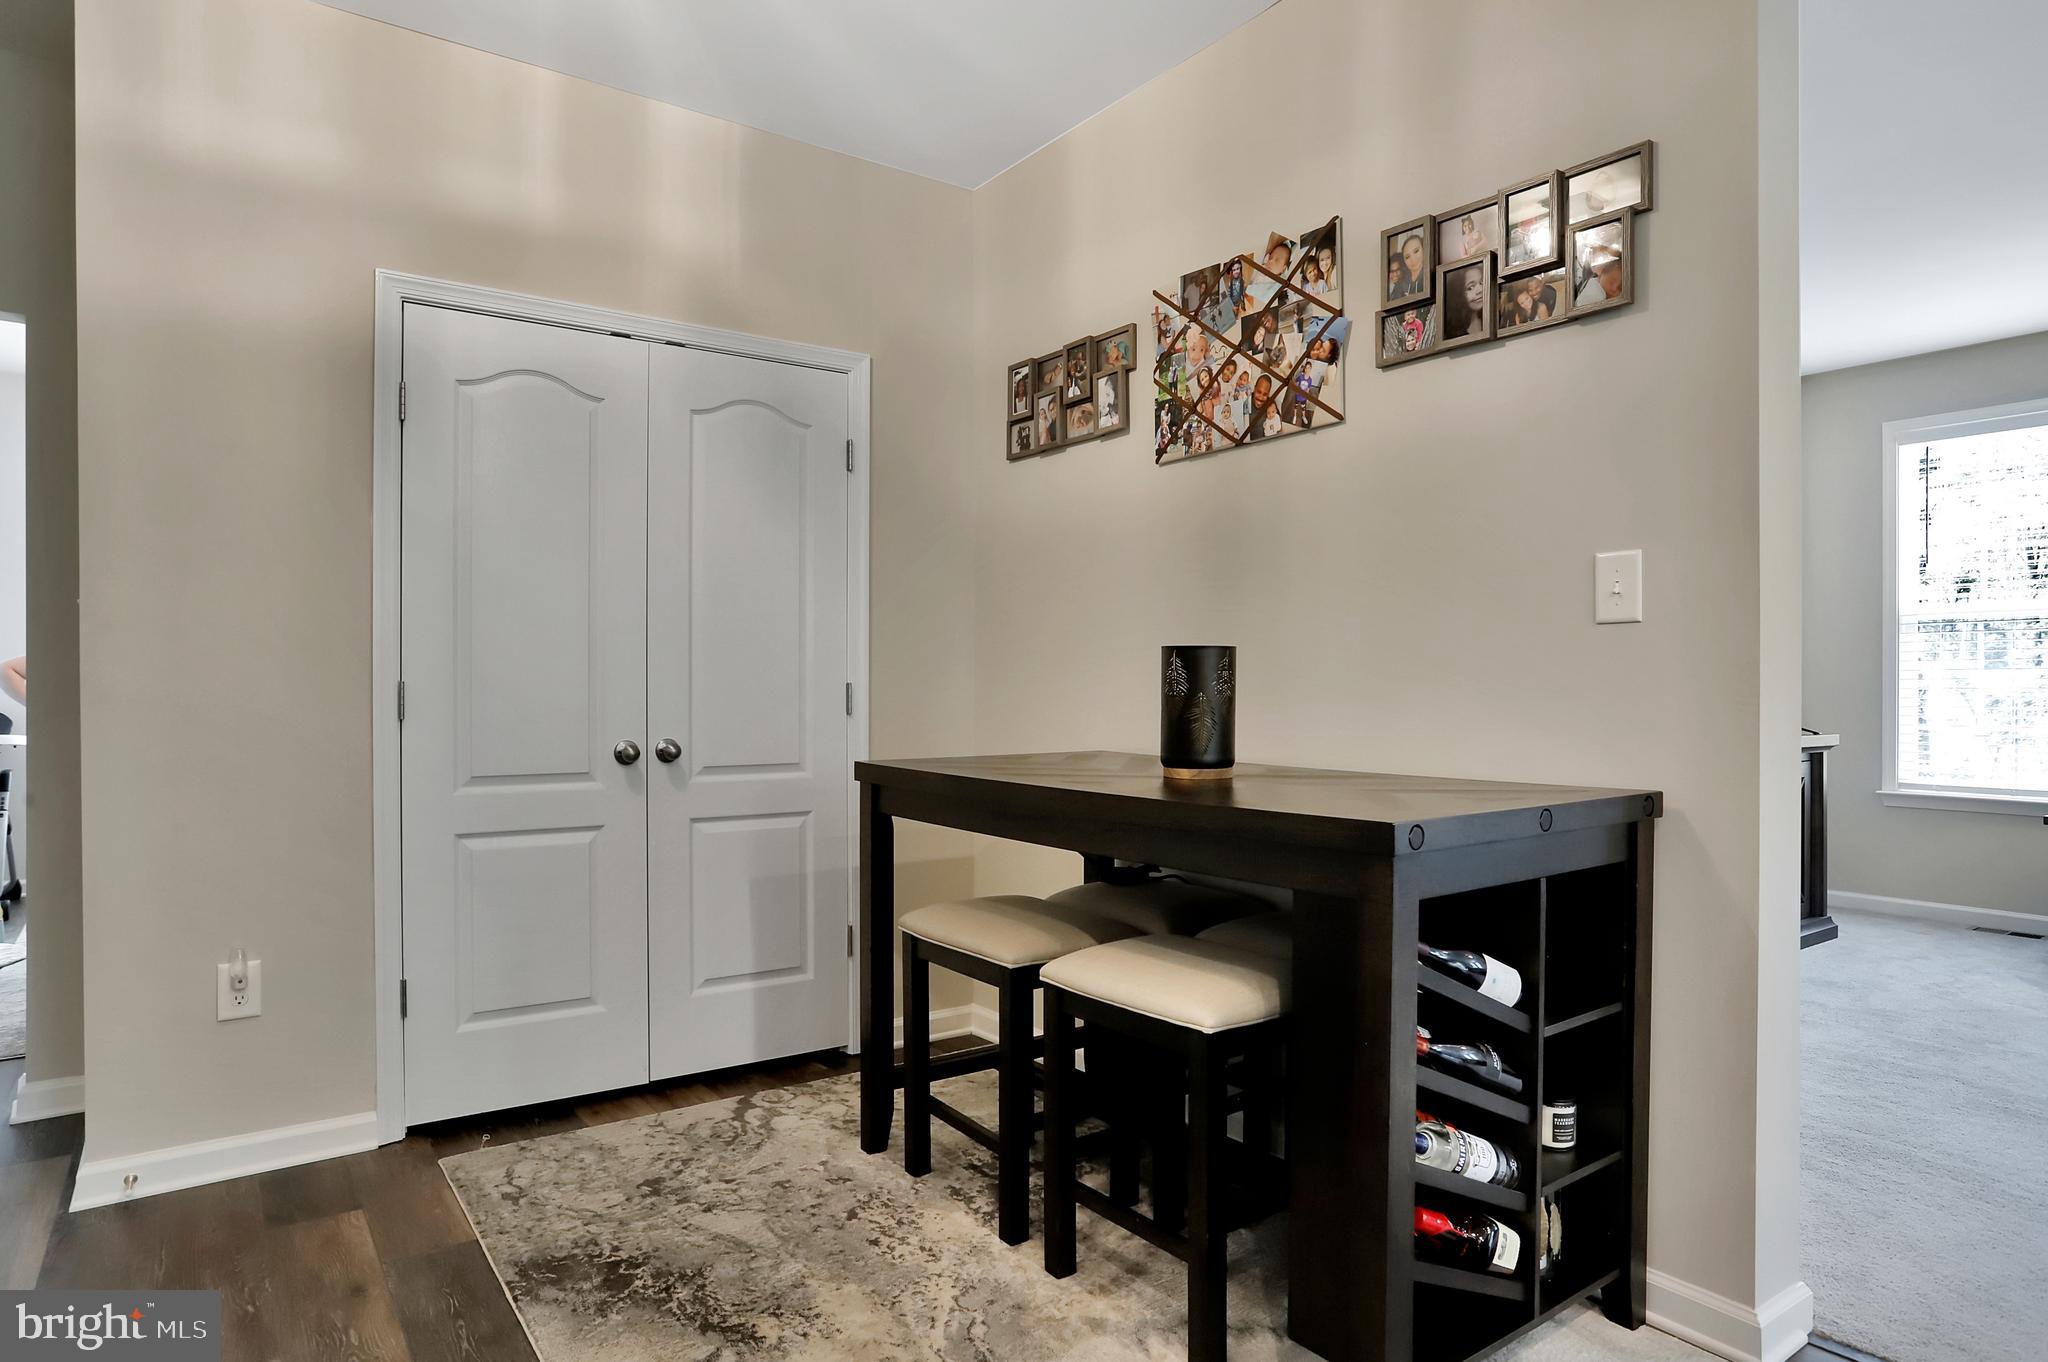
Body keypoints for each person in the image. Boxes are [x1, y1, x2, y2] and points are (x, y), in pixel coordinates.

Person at [1576, 240, 1625, 305]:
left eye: (1620, 287)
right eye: (1611, 281)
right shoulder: (1595, 292)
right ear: (1601, 271)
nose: (1614, 288)